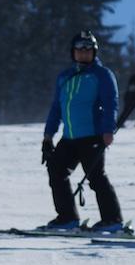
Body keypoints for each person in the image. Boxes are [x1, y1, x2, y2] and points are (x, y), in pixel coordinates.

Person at [41, 30, 125, 232]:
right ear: (73, 52)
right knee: (56, 170)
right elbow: (56, 108)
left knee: (96, 177)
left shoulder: (102, 75)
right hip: (69, 137)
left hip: (92, 136)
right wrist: (48, 136)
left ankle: (112, 220)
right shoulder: (65, 77)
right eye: (80, 49)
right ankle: (67, 218)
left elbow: (110, 104)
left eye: (89, 49)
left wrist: (107, 131)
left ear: (94, 52)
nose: (84, 53)